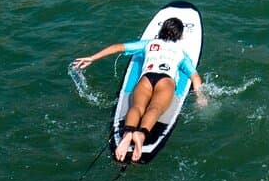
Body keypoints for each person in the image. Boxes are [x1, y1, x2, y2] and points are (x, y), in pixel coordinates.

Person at [72, 16, 206, 163]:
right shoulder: (181, 54)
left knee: (136, 107)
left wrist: (92, 58)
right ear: (179, 36)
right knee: (155, 108)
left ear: (161, 31)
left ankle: (127, 134)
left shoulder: (148, 44)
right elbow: (195, 77)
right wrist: (200, 96)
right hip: (165, 81)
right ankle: (140, 136)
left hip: (146, 78)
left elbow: (117, 47)